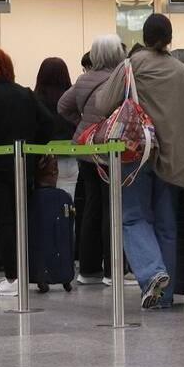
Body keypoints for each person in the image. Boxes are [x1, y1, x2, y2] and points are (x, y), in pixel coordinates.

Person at [112, 14, 184, 308]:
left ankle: (152, 272)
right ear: (170, 38)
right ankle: (163, 298)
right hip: (174, 160)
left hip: (137, 154)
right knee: (167, 224)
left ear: (143, 35)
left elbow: (105, 102)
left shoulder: (132, 66)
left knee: (132, 217)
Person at [0, 49, 55, 297]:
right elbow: (47, 122)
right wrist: (34, 151)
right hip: (22, 165)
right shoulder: (25, 94)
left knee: (3, 221)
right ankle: (25, 272)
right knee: (21, 220)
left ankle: (12, 277)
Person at [58, 35, 127, 286]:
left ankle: (87, 269)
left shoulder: (83, 80)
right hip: (112, 149)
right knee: (112, 208)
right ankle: (113, 270)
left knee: (91, 207)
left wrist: (84, 125)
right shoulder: (121, 79)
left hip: (86, 149)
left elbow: (62, 106)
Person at [34, 57, 77, 200]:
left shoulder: (35, 99)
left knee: (46, 204)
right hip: (71, 157)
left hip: (43, 160)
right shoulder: (72, 97)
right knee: (70, 202)